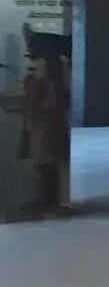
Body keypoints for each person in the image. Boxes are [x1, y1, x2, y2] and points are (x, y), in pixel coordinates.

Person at [21, 54, 70, 216]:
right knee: (48, 168)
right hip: (48, 131)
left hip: (45, 132)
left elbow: (32, 105)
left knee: (47, 168)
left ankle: (48, 203)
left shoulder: (44, 85)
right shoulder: (53, 86)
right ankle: (48, 202)